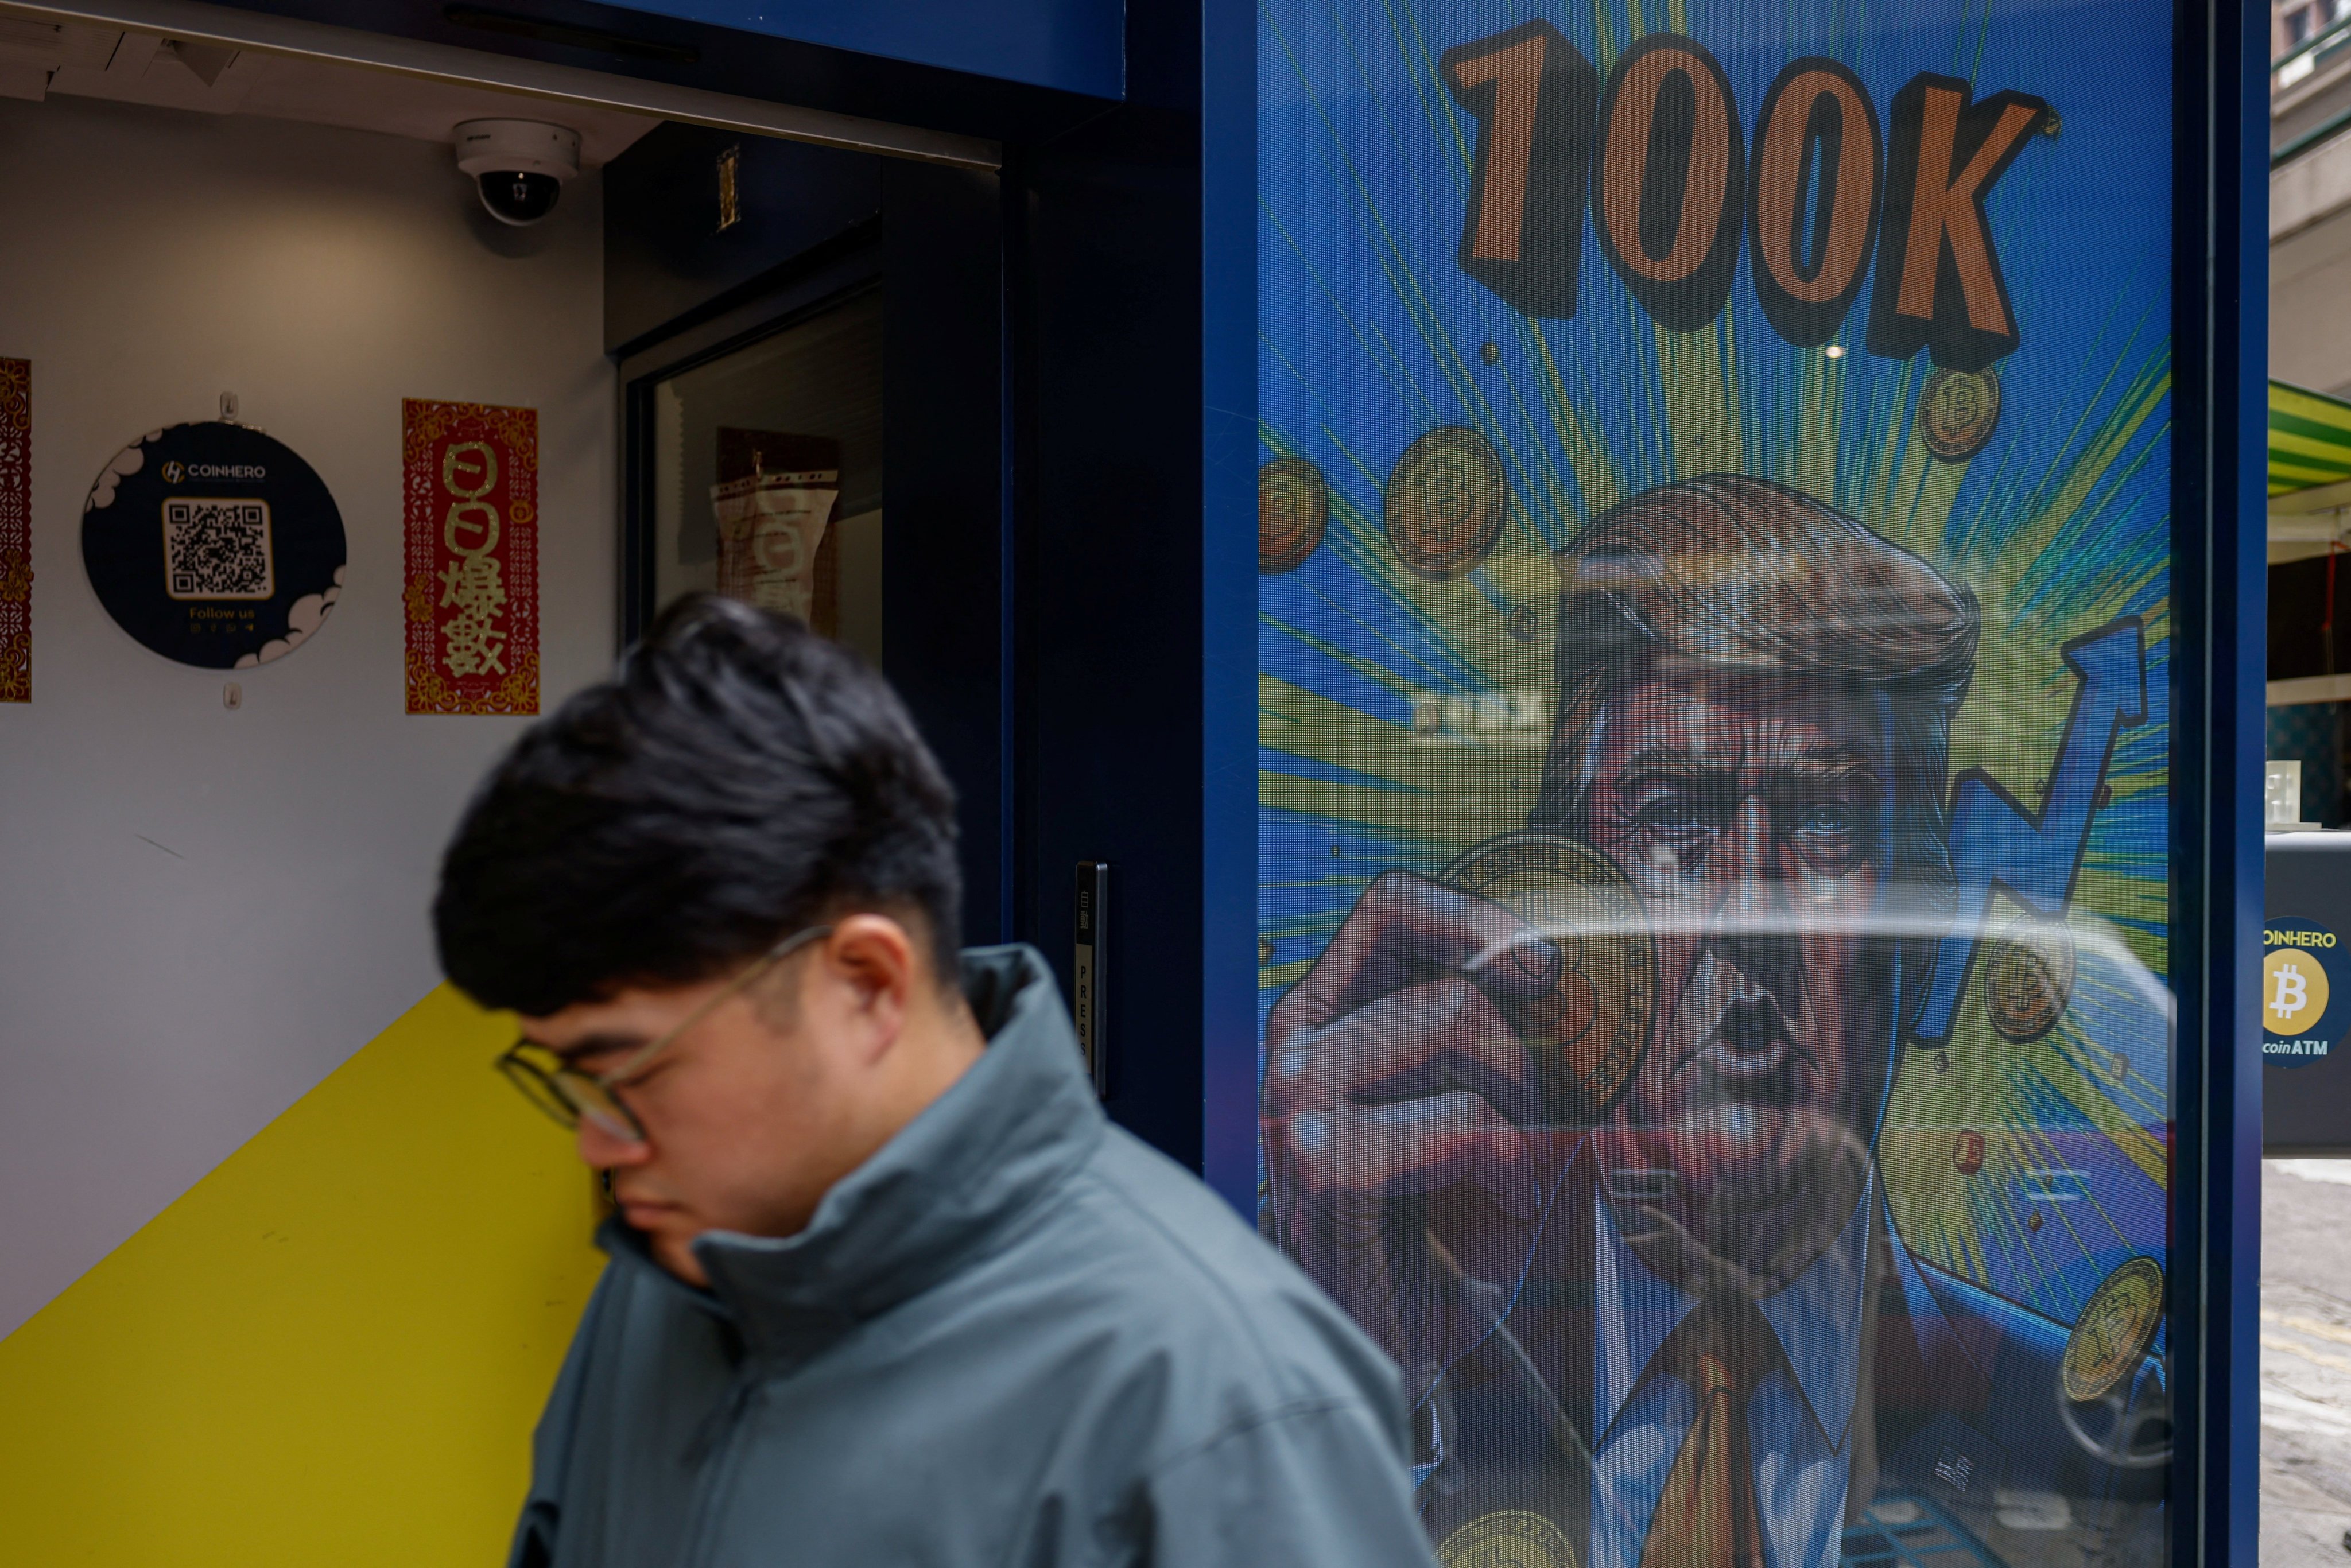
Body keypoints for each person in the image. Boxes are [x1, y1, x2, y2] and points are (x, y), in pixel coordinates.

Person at [1261, 475, 2164, 1567]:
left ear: (1925, 921)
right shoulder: (1425, 1344)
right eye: (1675, 815)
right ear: (1570, 899)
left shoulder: (2064, 1423)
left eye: (1827, 822)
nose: (1749, 915)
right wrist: (1359, 1387)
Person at [435, 593, 1437, 1568]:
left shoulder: (1219, 1397)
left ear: (867, 984)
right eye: (569, 1080)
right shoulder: (664, 1287)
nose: (599, 1145)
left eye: (630, 1072)